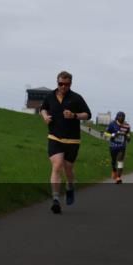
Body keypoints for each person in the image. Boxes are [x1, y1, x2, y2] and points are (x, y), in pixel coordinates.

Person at [39, 71, 91, 214]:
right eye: (60, 84)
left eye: (66, 84)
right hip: (55, 137)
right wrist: (44, 116)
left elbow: (88, 114)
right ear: (57, 82)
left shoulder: (76, 98)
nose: (62, 87)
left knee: (68, 169)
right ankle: (55, 199)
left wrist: (74, 115)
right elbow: (43, 108)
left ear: (70, 84)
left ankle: (70, 186)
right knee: (57, 165)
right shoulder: (50, 96)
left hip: (72, 139)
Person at [106, 111, 130, 184]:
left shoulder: (126, 125)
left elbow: (128, 133)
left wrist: (128, 137)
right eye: (120, 116)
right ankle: (114, 170)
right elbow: (106, 133)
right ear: (117, 117)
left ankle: (118, 177)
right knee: (113, 161)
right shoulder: (112, 124)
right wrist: (113, 135)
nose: (121, 118)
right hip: (113, 146)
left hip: (122, 146)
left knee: (120, 161)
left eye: (123, 117)